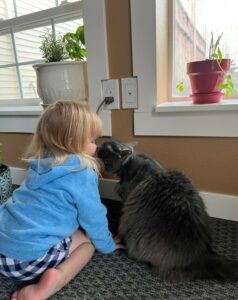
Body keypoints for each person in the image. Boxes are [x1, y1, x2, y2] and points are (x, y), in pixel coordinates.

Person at [0, 101, 123, 300]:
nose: (95, 145)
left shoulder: (38, 162)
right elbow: (93, 216)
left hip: (3, 252)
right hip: (27, 262)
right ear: (72, 142)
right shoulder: (82, 172)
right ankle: (52, 281)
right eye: (92, 139)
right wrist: (106, 244)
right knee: (86, 243)